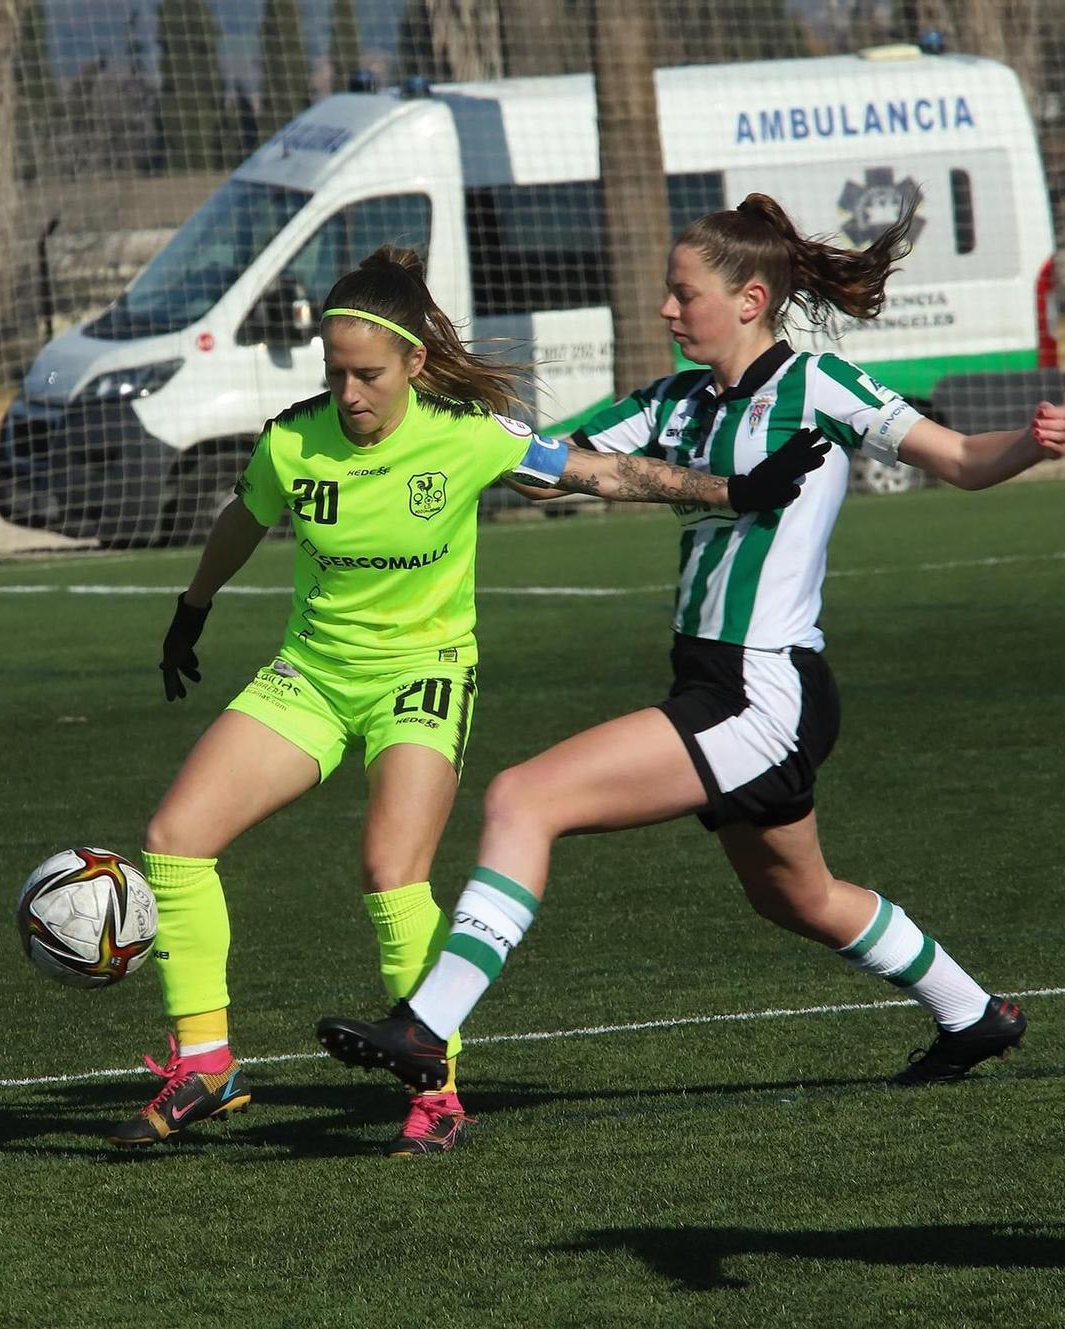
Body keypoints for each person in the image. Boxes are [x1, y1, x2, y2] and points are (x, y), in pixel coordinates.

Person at [315, 194, 1065, 1102]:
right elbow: (549, 470)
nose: (667, 311)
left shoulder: (820, 385)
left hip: (764, 688)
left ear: (750, 299)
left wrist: (1027, 446)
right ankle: (973, 1013)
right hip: (714, 682)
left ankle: (425, 1024)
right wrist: (439, 412)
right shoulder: (672, 403)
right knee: (798, 897)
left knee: (524, 798)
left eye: (683, 294)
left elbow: (957, 458)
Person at [111, 246, 825, 1155]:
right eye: (336, 373)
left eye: (368, 374)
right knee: (176, 840)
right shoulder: (293, 439)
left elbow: (595, 472)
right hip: (313, 674)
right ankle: (207, 1065)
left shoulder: (470, 434)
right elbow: (245, 518)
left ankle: (436, 1092)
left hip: (424, 676)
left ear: (414, 364)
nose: (351, 393)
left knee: (390, 868)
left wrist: (734, 489)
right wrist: (192, 609)